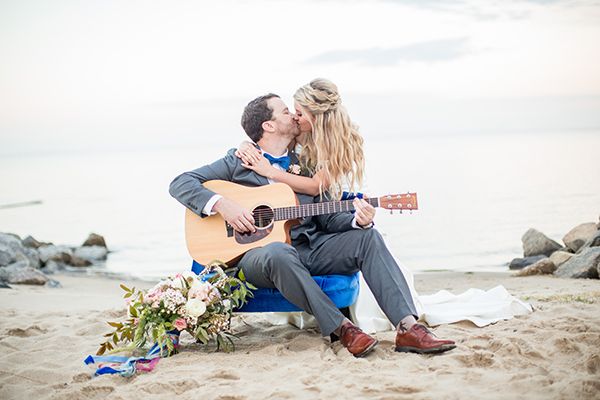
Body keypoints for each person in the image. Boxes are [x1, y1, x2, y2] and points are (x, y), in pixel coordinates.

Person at [169, 92, 456, 357]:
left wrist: (358, 219)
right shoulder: (238, 161)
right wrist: (224, 205)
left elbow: (328, 216)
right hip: (256, 259)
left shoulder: (306, 164)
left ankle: (408, 329)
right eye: (285, 112)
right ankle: (343, 328)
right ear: (268, 126)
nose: (294, 116)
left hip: (310, 249)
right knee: (278, 252)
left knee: (369, 237)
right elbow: (180, 183)